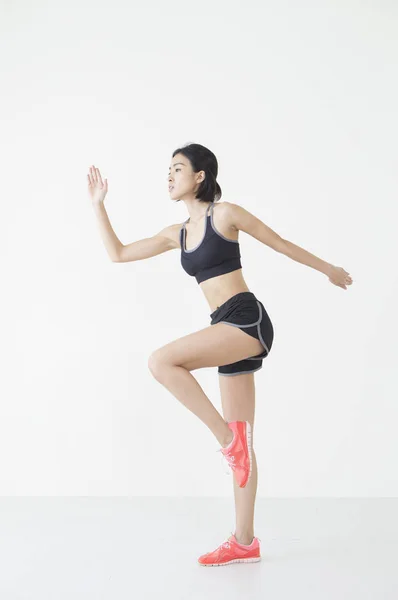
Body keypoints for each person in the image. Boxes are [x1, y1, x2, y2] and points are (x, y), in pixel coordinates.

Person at [88, 142, 353, 567]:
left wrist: (329, 270)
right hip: (223, 329)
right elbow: (118, 254)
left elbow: (280, 243)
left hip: (246, 320)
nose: (169, 175)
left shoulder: (225, 214)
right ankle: (244, 540)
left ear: (200, 177)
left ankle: (226, 442)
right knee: (245, 446)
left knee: (161, 361)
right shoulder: (176, 234)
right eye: (168, 169)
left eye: (178, 168)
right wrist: (98, 205)